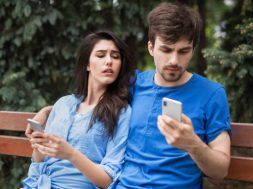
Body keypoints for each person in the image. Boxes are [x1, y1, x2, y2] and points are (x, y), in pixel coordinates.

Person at [26, 2, 231, 189]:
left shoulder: (211, 94)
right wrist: (46, 112)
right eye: (166, 50)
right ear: (151, 48)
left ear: (193, 49)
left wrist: (192, 144)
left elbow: (220, 170)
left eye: (183, 51)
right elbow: (86, 103)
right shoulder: (132, 84)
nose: (174, 60)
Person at [22, 30, 134, 189]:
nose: (109, 61)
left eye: (115, 56)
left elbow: (108, 181)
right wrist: (39, 146)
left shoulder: (121, 112)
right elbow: (38, 162)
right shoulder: (63, 104)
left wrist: (71, 154)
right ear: (87, 64)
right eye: (101, 55)